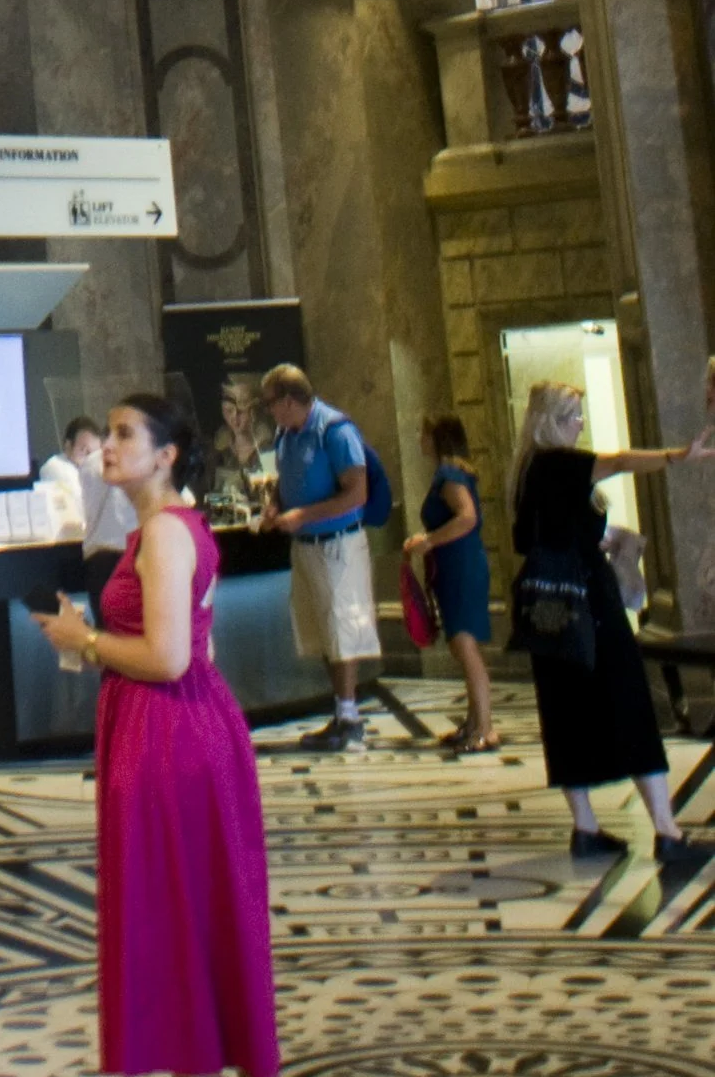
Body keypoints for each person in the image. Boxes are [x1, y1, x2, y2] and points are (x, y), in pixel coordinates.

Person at [34, 392, 292, 1077]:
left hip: (169, 733)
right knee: (214, 908)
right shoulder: (167, 530)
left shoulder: (164, 538)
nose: (106, 449)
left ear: (166, 454)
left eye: (122, 436)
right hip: (187, 731)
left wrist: (87, 640)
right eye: (106, 434)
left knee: (175, 912)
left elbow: (170, 657)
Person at [511, 378, 714, 874]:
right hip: (590, 604)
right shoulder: (562, 463)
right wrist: (677, 455)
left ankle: (584, 826)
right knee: (630, 704)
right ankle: (667, 831)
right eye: (574, 417)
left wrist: (594, 539)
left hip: (547, 609)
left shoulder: (524, 472)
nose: (580, 425)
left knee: (564, 713)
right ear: (552, 422)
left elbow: (528, 540)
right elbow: (621, 459)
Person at [258, 364, 380, 751]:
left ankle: (350, 718)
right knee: (322, 630)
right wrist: (274, 507)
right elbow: (284, 482)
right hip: (305, 548)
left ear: (290, 400)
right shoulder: (286, 435)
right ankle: (341, 711)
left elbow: (356, 493)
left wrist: (303, 516)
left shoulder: (336, 431)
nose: (269, 412)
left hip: (337, 545)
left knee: (342, 629)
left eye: (271, 404)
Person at [402, 413, 496, 753]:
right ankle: (474, 722)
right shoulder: (451, 472)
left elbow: (466, 516)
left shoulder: (449, 474)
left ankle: (484, 726)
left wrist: (430, 540)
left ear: (436, 437)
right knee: (462, 643)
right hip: (456, 562)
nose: (419, 439)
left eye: (423, 433)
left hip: (460, 565)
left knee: (464, 644)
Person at [39, 413, 137, 611]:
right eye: (83, 450)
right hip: (111, 555)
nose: (89, 455)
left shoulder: (98, 465)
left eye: (93, 449)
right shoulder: (58, 467)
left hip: (107, 556)